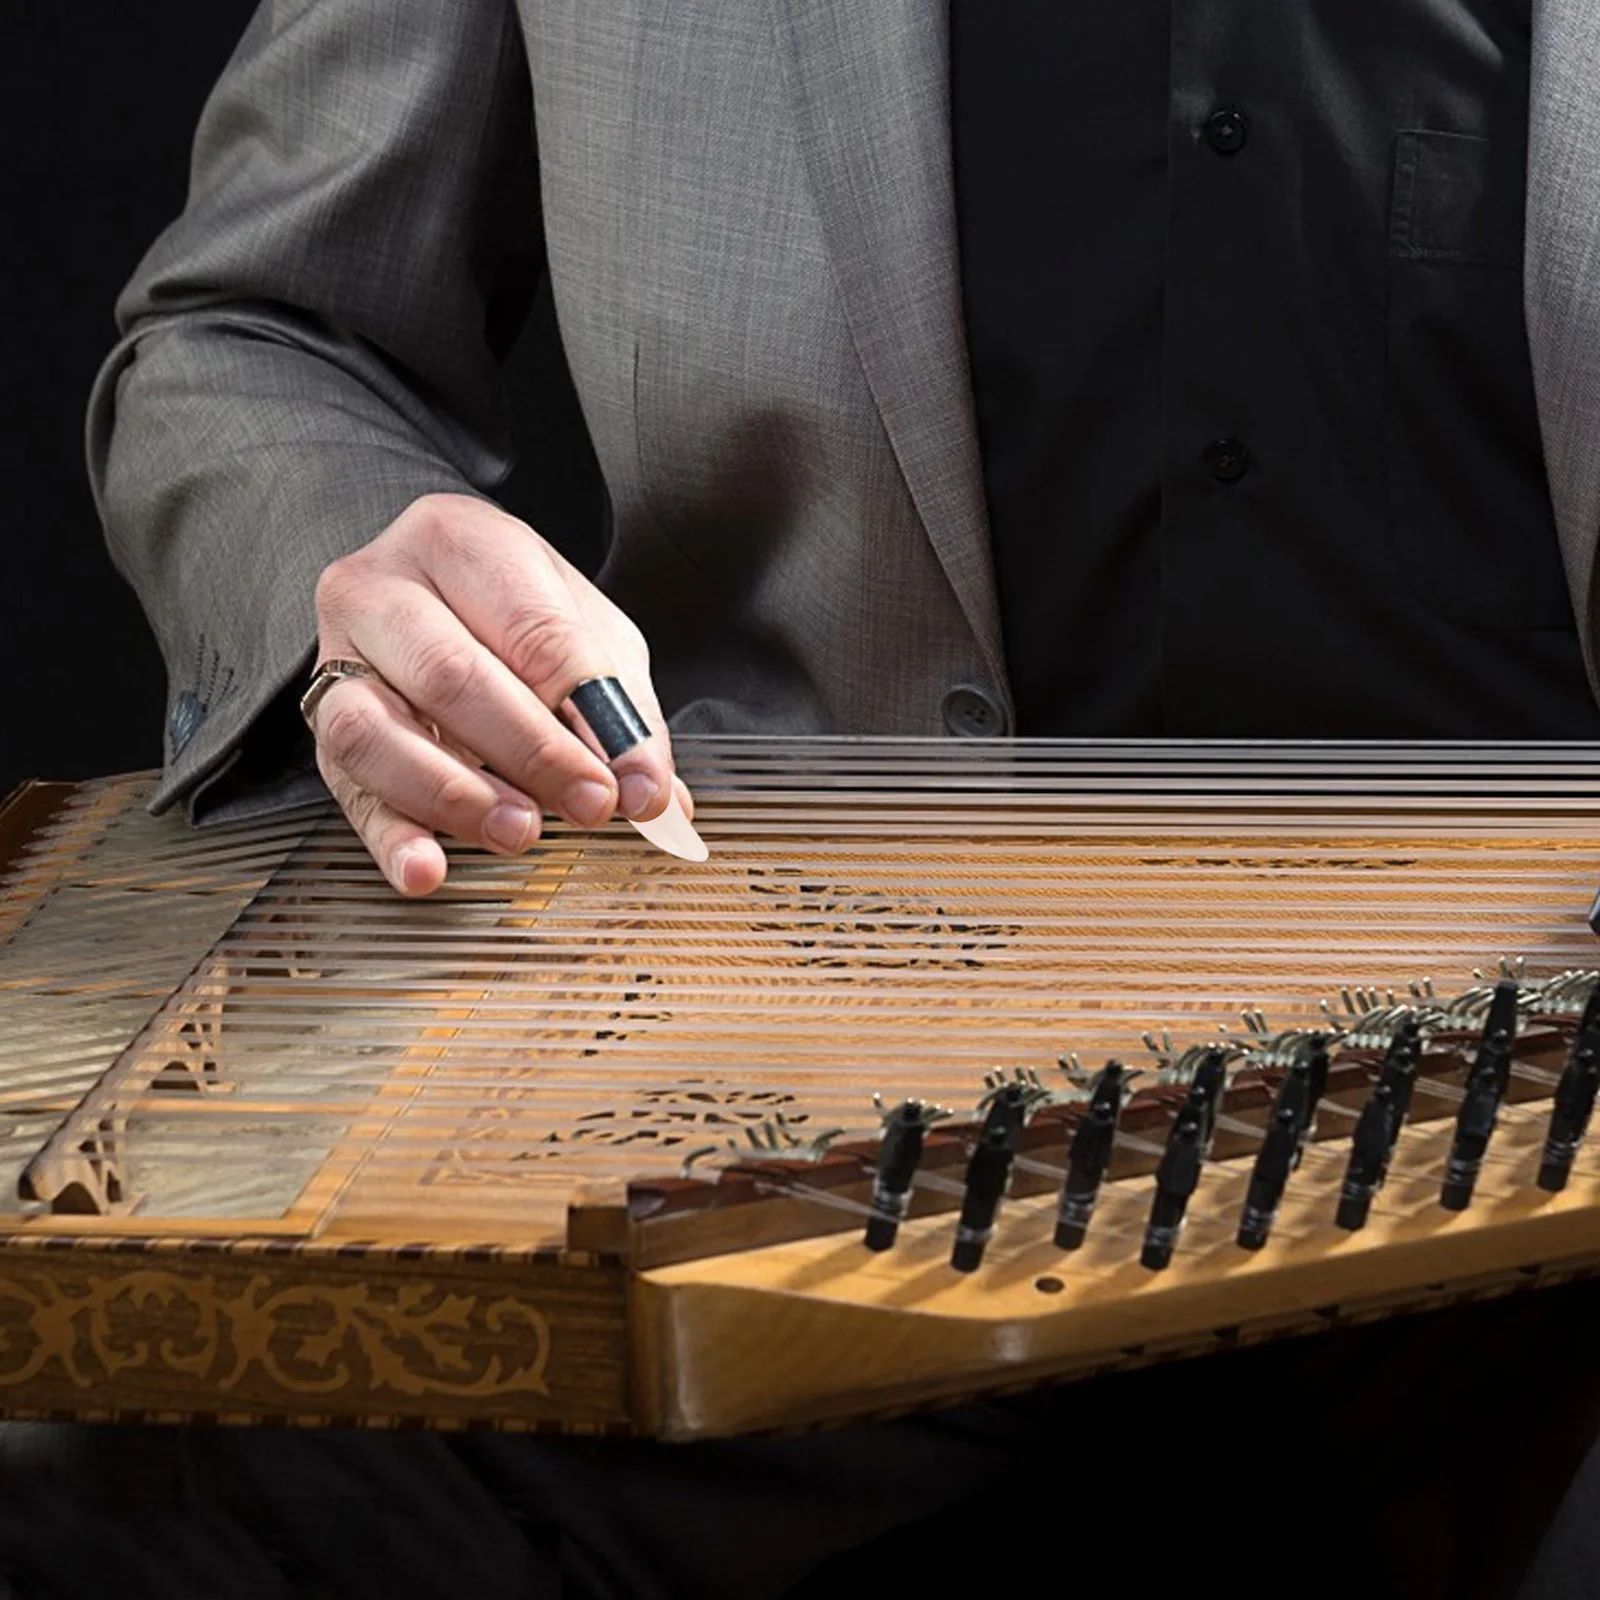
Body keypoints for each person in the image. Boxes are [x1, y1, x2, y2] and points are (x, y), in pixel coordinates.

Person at [8, 0, 1596, 1595]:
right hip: (780, 1120)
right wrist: (361, 583)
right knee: (98, 1487)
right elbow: (264, 330)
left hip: (1565, 1168)